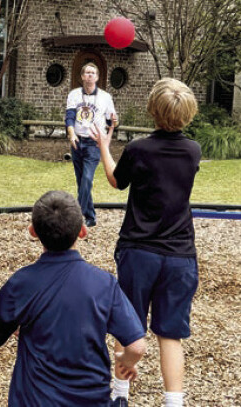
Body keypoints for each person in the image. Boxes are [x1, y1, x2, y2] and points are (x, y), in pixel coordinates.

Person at [90, 78, 201, 407]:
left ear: (152, 109)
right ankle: (173, 402)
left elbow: (115, 181)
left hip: (139, 251)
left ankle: (121, 394)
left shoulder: (139, 148)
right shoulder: (193, 151)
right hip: (180, 255)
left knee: (128, 326)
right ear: (188, 112)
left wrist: (104, 148)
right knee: (171, 335)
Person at [0, 190, 146, 406]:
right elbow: (137, 346)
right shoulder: (104, 284)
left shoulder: (21, 283)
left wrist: (17, 327)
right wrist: (126, 362)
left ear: (33, 232)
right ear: (83, 231)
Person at [65, 62, 118, 227]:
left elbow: (111, 120)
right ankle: (90, 217)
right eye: (86, 72)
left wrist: (114, 122)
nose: (89, 75)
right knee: (81, 181)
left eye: (92, 73)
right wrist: (71, 134)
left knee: (87, 179)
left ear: (97, 77)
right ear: (82, 76)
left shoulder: (105, 97)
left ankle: (75, 216)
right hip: (77, 141)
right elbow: (70, 117)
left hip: (94, 143)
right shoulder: (74, 95)